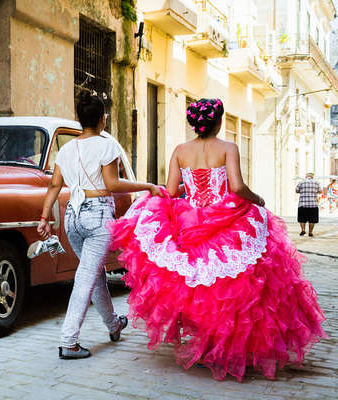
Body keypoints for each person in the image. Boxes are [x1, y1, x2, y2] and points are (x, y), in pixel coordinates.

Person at [109, 98, 326, 381]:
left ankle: (206, 341)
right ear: (219, 121)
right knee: (232, 288)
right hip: (225, 219)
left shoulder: (180, 151)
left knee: (197, 287)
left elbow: (172, 191)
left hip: (191, 220)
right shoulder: (228, 148)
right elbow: (236, 187)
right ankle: (222, 344)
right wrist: (257, 199)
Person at [37, 90, 163, 359]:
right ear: (103, 119)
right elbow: (113, 184)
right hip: (96, 216)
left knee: (94, 276)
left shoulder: (66, 148)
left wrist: (44, 217)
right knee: (86, 277)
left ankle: (114, 324)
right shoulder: (107, 145)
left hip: (72, 215)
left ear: (80, 118)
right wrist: (149, 186)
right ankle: (69, 342)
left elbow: (54, 185)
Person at [296, 173, 322, 237]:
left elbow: (297, 190)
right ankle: (310, 232)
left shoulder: (301, 182)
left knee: (302, 219)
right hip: (313, 204)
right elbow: (320, 191)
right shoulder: (317, 183)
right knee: (312, 219)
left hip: (302, 204)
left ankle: (303, 230)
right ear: (312, 177)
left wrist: (303, 191)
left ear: (306, 176)